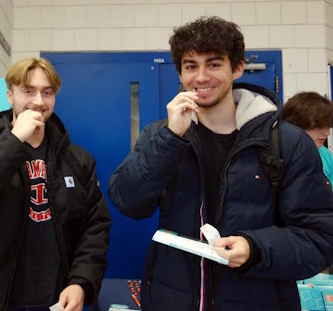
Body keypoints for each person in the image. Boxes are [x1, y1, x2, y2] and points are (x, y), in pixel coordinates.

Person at [107, 16, 333, 310]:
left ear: (237, 68)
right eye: (191, 66)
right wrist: (171, 137)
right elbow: (128, 201)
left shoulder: (287, 142)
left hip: (260, 300)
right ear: (180, 72)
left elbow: (320, 238)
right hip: (172, 299)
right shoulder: (160, 135)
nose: (201, 77)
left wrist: (255, 248)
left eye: (213, 64)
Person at [0, 57, 111, 311]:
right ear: (10, 95)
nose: (39, 101)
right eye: (28, 91)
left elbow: (95, 226)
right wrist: (13, 140)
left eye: (47, 92)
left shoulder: (78, 159)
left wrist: (81, 282)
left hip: (56, 300)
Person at [281, 91, 333, 184]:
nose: (327, 133)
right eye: (320, 126)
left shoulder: (325, 154)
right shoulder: (279, 157)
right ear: (298, 123)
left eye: (328, 126)